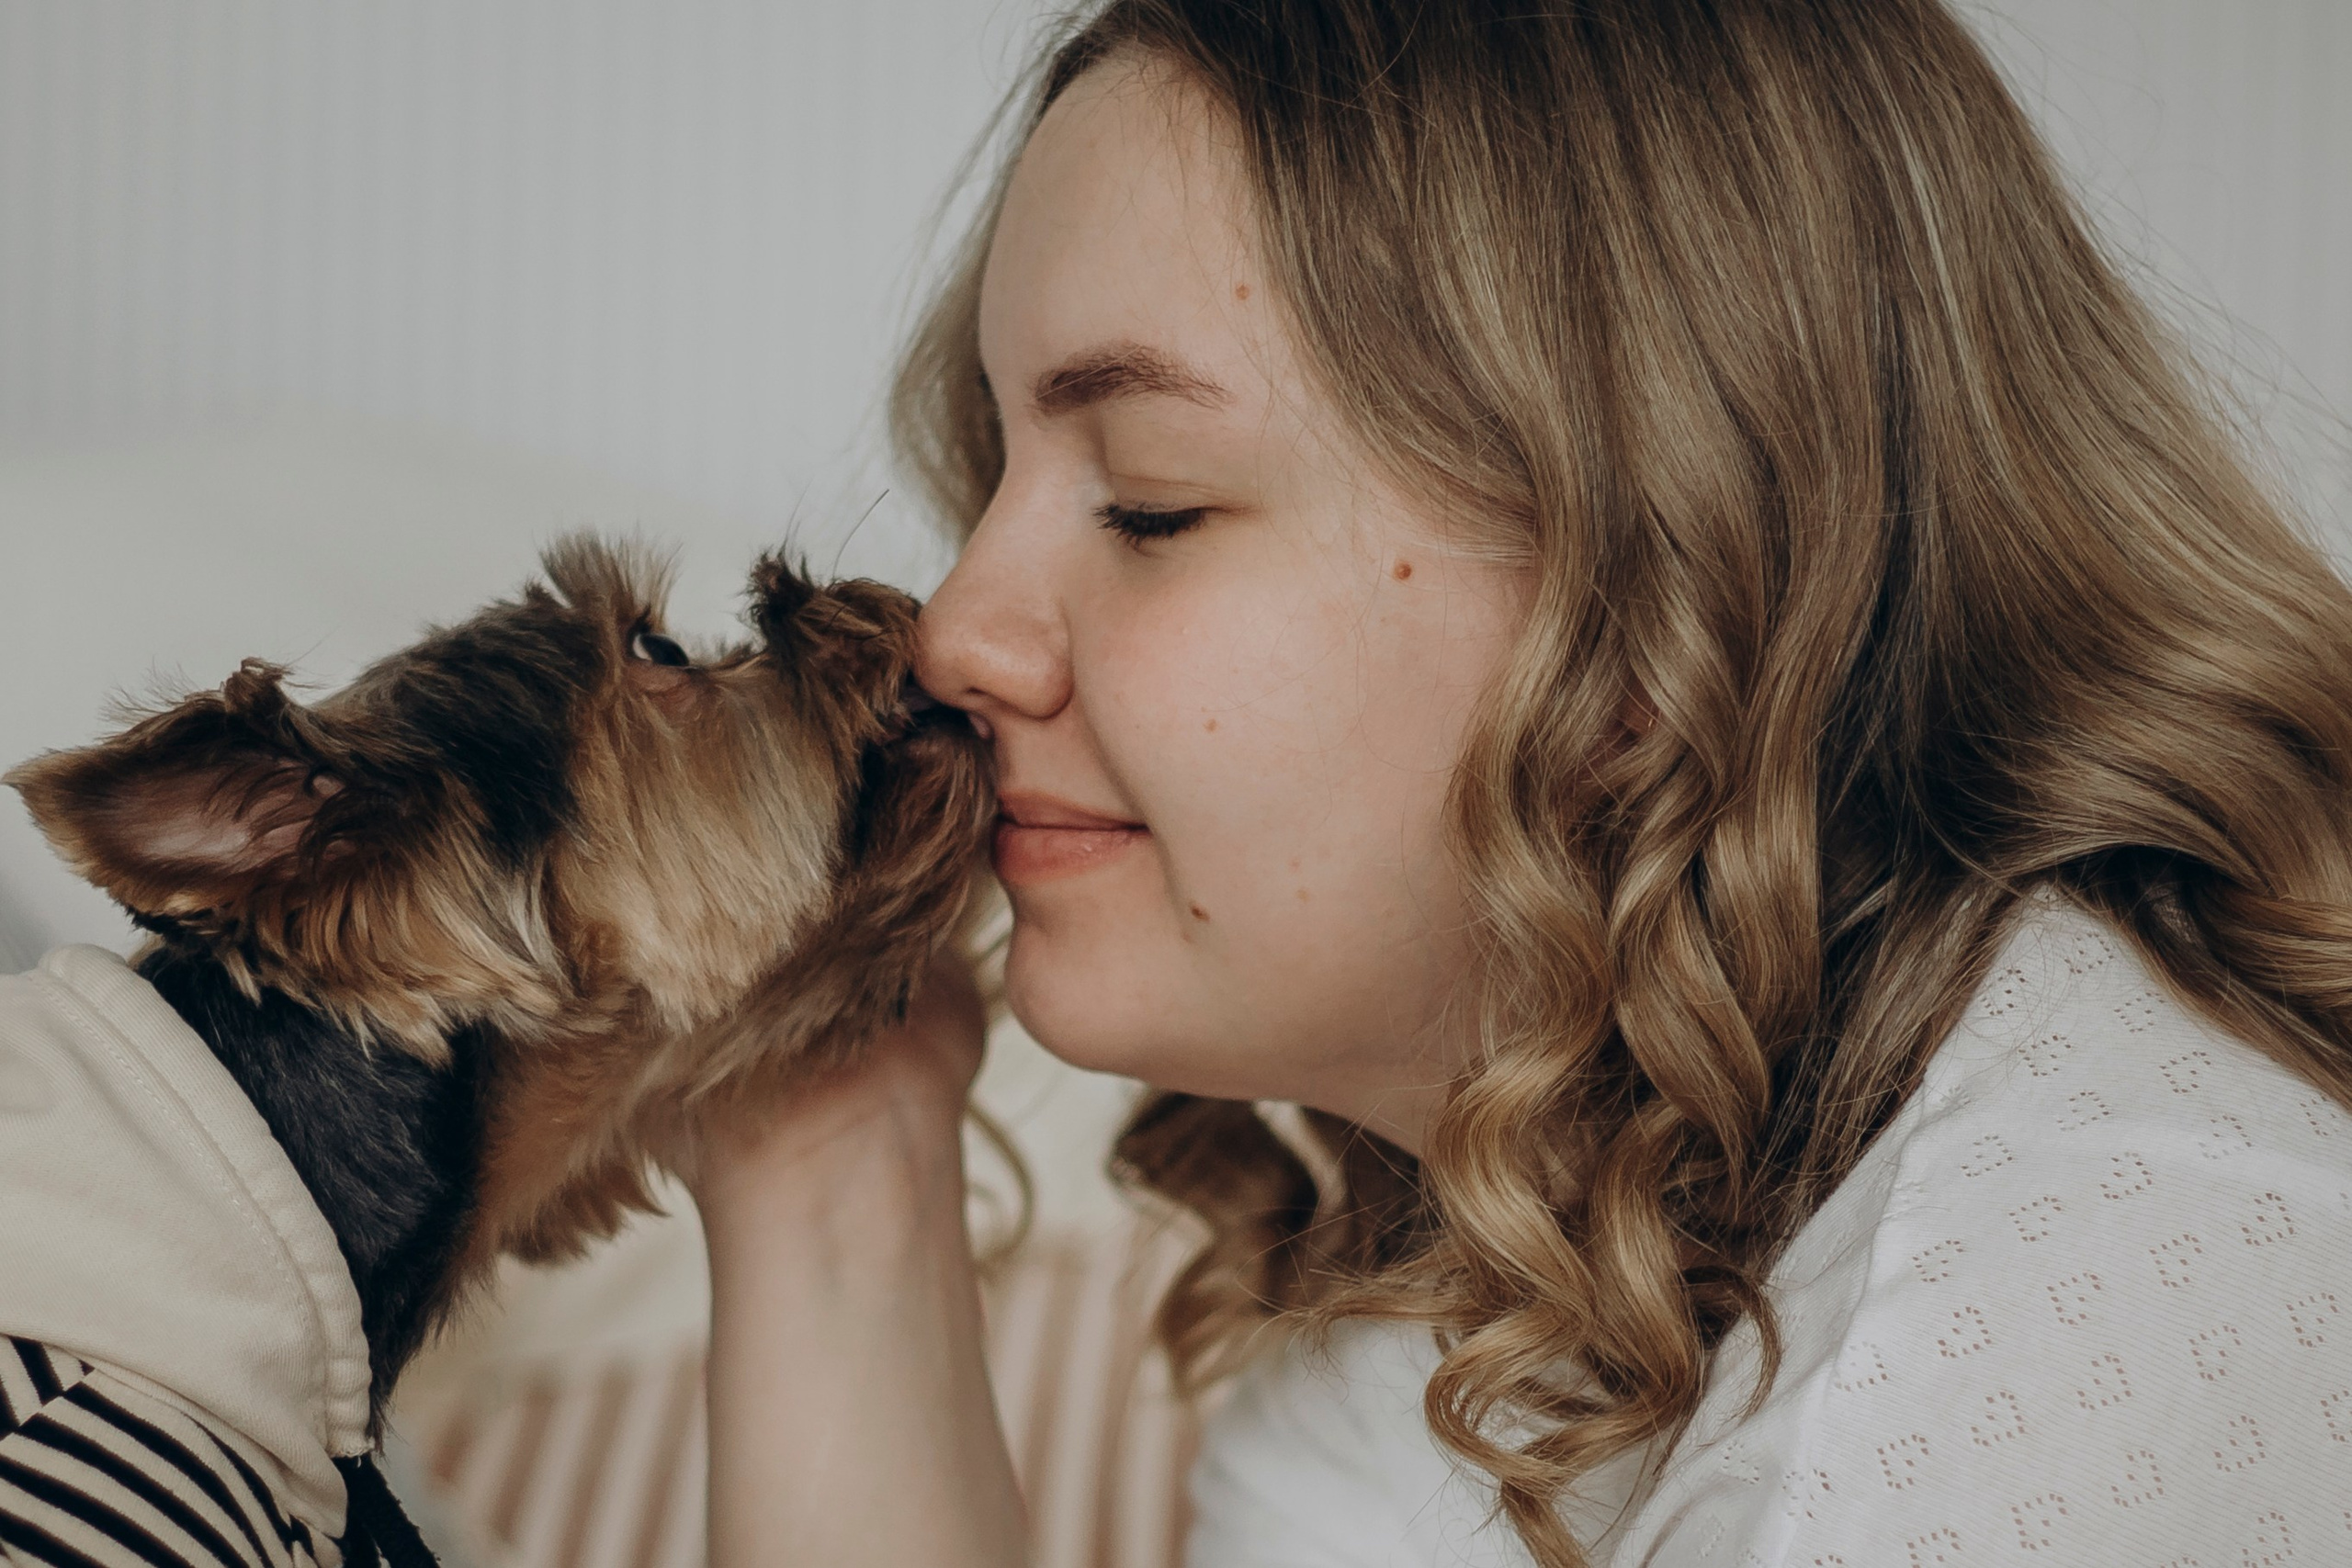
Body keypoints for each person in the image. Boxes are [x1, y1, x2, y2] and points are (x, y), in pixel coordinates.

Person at [688, 2, 2352, 1563]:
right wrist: (836, 1150)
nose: (955, 631)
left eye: (1150, 501)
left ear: (1671, 585)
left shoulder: (2023, 1375)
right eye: (997, 475)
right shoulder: (1529, 1215)